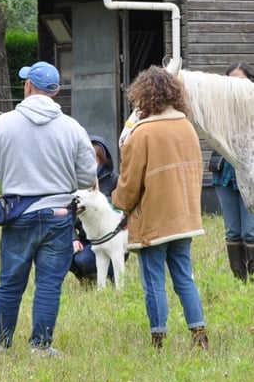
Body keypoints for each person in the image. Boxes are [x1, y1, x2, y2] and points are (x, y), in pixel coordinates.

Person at [0, 61, 97, 358]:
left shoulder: (3, 124)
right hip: (59, 216)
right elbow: (88, 177)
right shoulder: (72, 128)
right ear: (56, 91)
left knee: (10, 282)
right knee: (49, 285)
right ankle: (41, 346)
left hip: (18, 215)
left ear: (27, 86)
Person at [112, 65, 208, 350]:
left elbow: (129, 186)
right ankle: (199, 334)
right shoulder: (187, 127)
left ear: (144, 96)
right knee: (184, 277)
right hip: (186, 217)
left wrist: (119, 204)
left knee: (153, 281)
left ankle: (158, 338)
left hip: (154, 220)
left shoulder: (141, 134)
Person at [210, 61, 254, 283]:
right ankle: (240, 279)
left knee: (250, 231)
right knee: (232, 231)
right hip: (224, 172)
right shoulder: (219, 109)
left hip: (250, 174)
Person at [69, 136, 120, 284]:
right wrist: (74, 238)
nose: (90, 164)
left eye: (95, 159)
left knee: (85, 259)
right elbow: (67, 214)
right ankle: (86, 279)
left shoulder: (115, 181)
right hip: (86, 238)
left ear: (102, 159)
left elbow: (124, 209)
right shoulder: (75, 185)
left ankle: (110, 275)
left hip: (112, 238)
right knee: (62, 254)